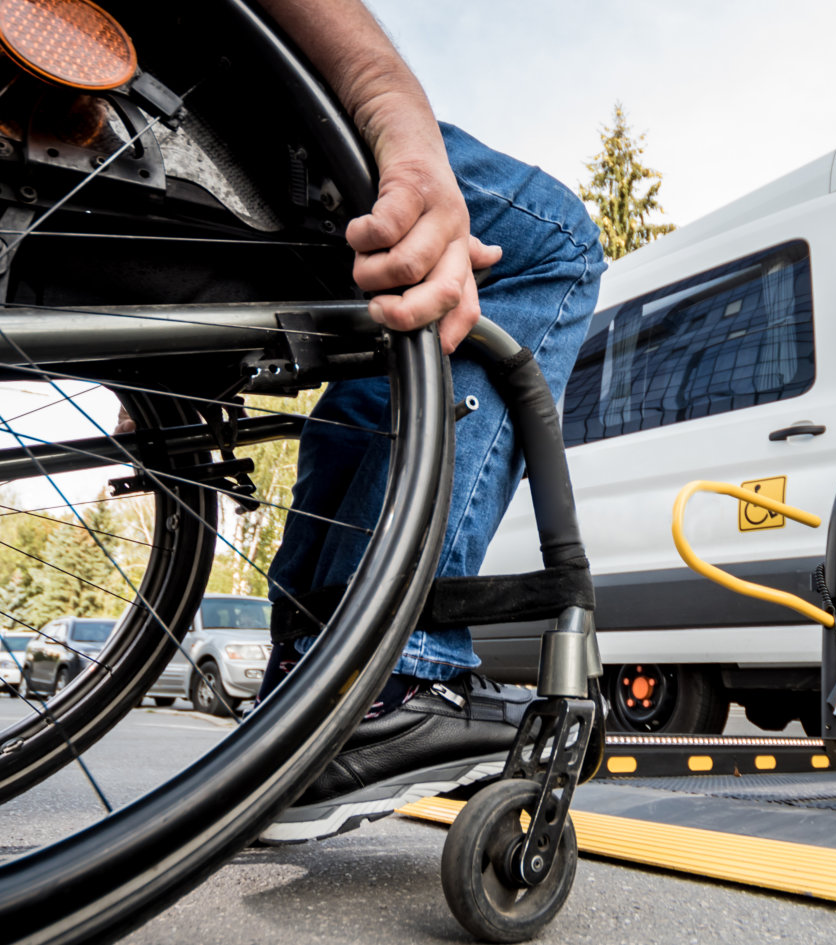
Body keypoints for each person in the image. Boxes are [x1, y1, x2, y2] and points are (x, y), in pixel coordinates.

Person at [250, 1, 607, 844]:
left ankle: (312, 681)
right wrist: (398, 128)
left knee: (392, 337)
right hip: (208, 102)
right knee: (551, 244)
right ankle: (384, 681)